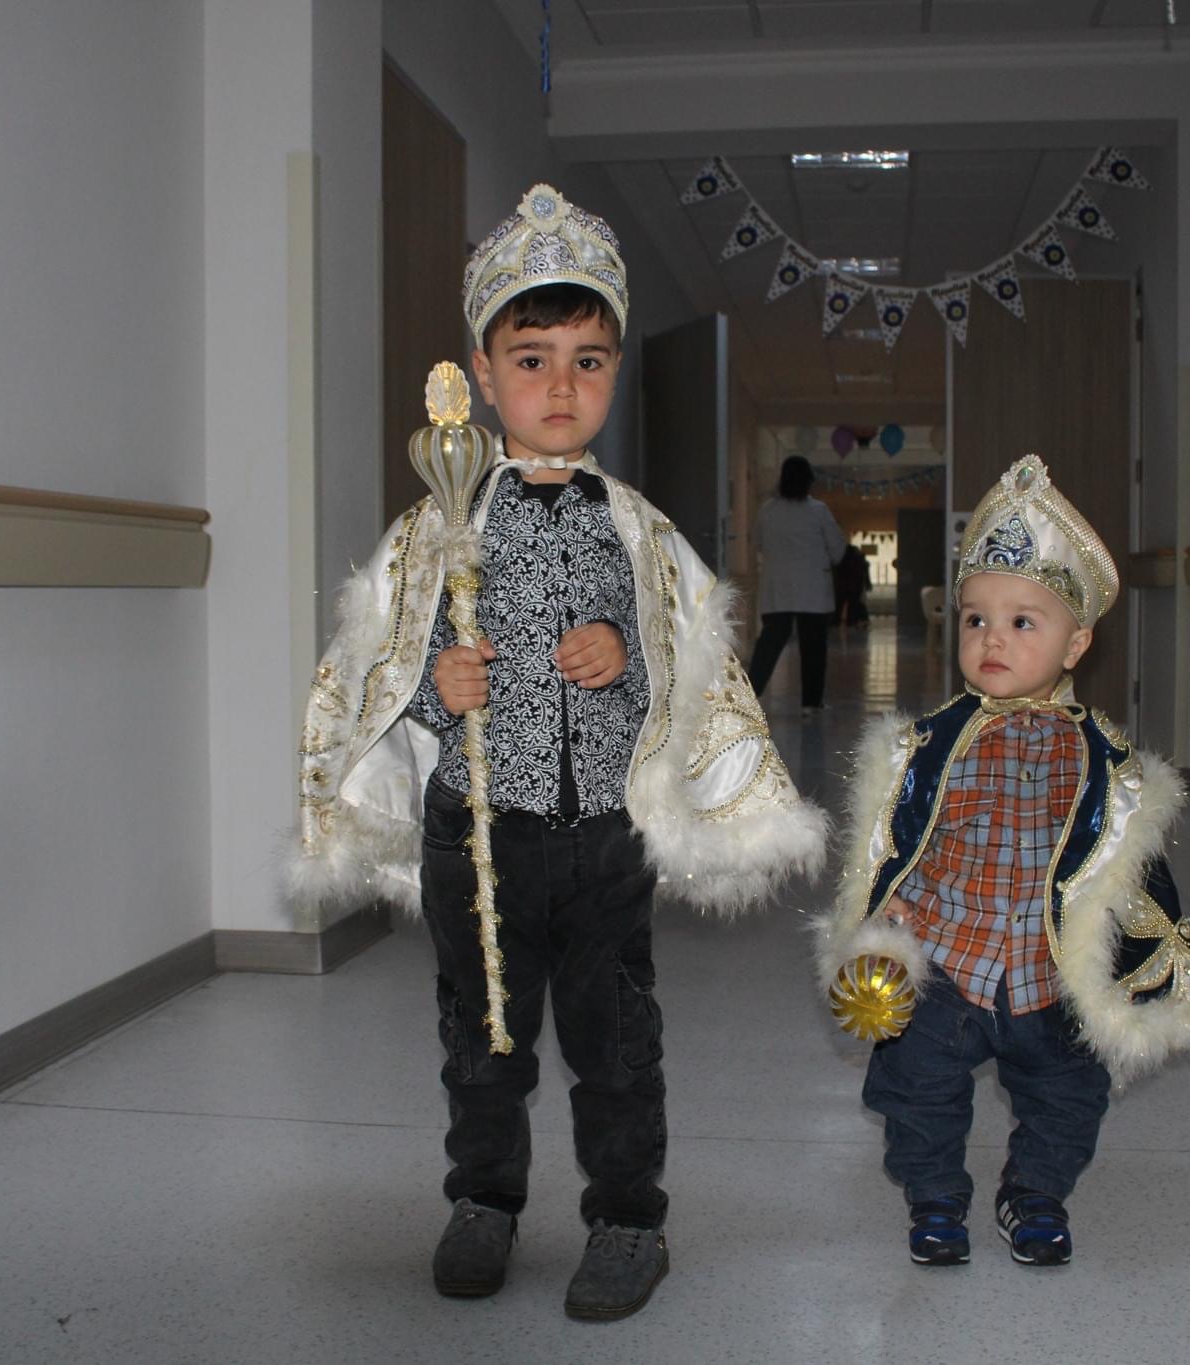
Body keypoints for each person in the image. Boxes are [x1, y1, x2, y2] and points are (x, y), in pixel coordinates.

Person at [286, 184, 826, 1321]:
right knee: (481, 1037)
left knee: (615, 1039)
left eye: (588, 361)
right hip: (476, 835)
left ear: (615, 371)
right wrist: (436, 689)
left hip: (601, 841)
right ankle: (483, 1200)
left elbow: (689, 661)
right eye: (531, 361)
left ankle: (629, 1218)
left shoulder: (639, 531)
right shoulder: (437, 527)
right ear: (483, 377)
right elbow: (378, 660)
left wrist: (624, 653)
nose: (560, 387)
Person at [814, 454, 1190, 1270]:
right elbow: (895, 841)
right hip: (948, 960)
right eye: (975, 618)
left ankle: (1035, 1192)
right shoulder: (929, 745)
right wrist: (886, 916)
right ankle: (935, 1196)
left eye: (1022, 621)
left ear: (1078, 642)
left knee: (1069, 1094)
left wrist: (1134, 968)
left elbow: (1128, 867)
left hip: (1049, 972)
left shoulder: (1105, 761)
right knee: (916, 1084)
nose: (992, 637)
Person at [747, 455, 846, 713]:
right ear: (809, 481)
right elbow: (837, 549)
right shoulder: (818, 511)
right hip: (813, 588)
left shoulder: (768, 510)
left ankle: (748, 697)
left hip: (777, 588)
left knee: (769, 645)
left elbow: (757, 543)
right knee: (813, 647)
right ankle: (811, 703)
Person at [833, 543, 872, 626]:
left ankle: (836, 622)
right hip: (855, 587)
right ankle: (851, 622)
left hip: (842, 587)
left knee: (839, 605)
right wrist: (866, 584)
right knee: (853, 606)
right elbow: (863, 575)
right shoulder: (860, 561)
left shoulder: (841, 561)